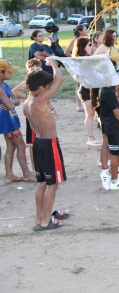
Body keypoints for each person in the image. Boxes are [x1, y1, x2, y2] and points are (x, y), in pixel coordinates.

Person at [24, 60, 67, 231]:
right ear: (41, 88)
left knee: (41, 182)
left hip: (38, 144)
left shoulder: (28, 102)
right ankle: (46, 220)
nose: (50, 89)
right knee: (53, 183)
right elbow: (60, 79)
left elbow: (33, 83)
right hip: (50, 145)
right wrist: (53, 64)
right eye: (47, 86)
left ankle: (39, 217)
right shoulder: (40, 101)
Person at [0, 60, 32, 183]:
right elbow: (11, 104)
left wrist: (11, 102)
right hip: (7, 120)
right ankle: (26, 173)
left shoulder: (4, 85)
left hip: (8, 118)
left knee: (11, 146)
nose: (11, 74)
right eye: (8, 71)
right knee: (21, 145)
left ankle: (9, 175)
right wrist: (11, 102)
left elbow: (13, 101)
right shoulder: (1, 88)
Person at [95, 84, 119, 190]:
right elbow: (115, 112)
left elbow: (117, 107)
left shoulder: (110, 91)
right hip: (113, 127)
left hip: (116, 126)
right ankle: (114, 181)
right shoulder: (106, 91)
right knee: (115, 154)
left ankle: (109, 172)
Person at [72, 37, 99, 145]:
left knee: (94, 113)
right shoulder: (79, 59)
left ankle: (92, 137)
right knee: (90, 114)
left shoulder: (89, 57)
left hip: (93, 88)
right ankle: (90, 138)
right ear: (82, 47)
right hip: (85, 90)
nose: (91, 47)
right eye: (89, 45)